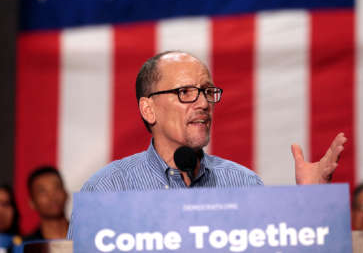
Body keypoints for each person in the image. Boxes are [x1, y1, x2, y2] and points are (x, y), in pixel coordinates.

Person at [68, 50, 347, 237]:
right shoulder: (105, 192)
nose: (203, 103)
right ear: (148, 109)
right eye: (185, 92)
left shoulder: (245, 185)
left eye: (207, 91)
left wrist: (313, 202)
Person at [24, 166, 69, 241]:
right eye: (43, 192)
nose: (52, 197)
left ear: (66, 193)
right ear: (32, 203)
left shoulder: (91, 237)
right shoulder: (27, 246)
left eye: (56, 188)